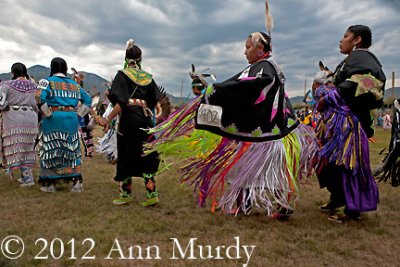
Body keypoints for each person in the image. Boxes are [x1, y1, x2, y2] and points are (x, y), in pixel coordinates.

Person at [146, 31, 317, 219]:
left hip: (264, 135)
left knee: (255, 168)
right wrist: (218, 91)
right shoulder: (264, 66)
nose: (245, 52)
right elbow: (238, 85)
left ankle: (269, 205)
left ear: (260, 49)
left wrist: (216, 90)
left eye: (248, 47)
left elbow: (247, 87)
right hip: (265, 134)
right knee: (254, 169)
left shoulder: (265, 68)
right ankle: (258, 205)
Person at [315, 25, 385, 223]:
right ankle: (338, 197)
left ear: (357, 40)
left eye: (345, 36)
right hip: (339, 124)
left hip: (350, 124)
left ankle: (353, 210)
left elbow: (361, 84)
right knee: (329, 163)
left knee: (348, 164)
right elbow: (340, 82)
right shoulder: (353, 60)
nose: (341, 40)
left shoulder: (364, 60)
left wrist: (327, 99)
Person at [98, 39, 162, 206]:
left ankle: (125, 194)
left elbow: (120, 102)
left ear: (126, 58)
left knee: (126, 154)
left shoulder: (122, 74)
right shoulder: (148, 77)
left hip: (129, 119)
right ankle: (151, 194)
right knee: (146, 154)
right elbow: (154, 99)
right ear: (140, 59)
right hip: (145, 118)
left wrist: (107, 118)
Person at [37, 57, 92, 192]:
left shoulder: (46, 82)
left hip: (53, 118)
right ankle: (77, 182)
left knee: (52, 148)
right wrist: (79, 114)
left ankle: (50, 184)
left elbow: (38, 96)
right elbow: (88, 99)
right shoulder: (75, 85)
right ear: (66, 69)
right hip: (71, 118)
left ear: (52, 68)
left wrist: (47, 113)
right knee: (71, 148)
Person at [0, 63, 39, 186]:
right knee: (27, 147)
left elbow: (1, 103)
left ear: (13, 73)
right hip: (31, 119)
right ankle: (26, 176)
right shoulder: (34, 86)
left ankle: (28, 179)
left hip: (14, 119)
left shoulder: (6, 85)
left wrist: (6, 105)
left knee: (17, 147)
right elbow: (38, 104)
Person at [373, 99, 400, 187]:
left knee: (393, 158)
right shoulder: (396, 107)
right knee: (392, 158)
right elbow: (396, 125)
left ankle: (393, 175)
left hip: (397, 138)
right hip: (398, 138)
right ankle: (393, 176)